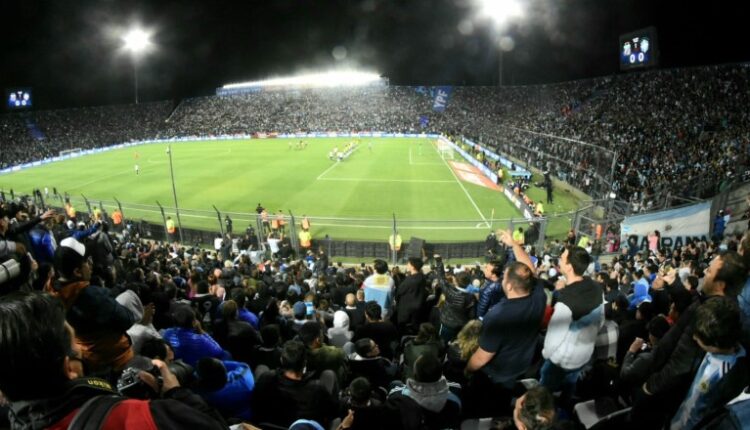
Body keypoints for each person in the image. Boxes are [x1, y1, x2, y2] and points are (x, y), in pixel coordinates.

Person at [0, 292, 226, 429]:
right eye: (76, 348)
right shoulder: (139, 418)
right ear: (69, 368)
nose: (81, 349)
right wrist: (176, 393)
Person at [465, 230, 546, 418]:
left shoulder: (498, 316)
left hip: (497, 376)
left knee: (489, 409)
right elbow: (530, 270)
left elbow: (482, 357)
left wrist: (467, 368)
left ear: (509, 285)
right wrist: (514, 245)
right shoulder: (539, 296)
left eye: (505, 277)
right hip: (522, 366)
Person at [45, 237, 136, 375]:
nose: (91, 265)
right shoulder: (93, 297)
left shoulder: (50, 293)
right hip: (114, 360)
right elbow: (127, 319)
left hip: (88, 358)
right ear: (77, 271)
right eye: (87, 262)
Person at [540, 246, 604, 402]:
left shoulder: (566, 300)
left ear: (569, 267)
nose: (559, 261)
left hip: (562, 361)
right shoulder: (597, 287)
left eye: (562, 259)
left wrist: (546, 355)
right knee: (569, 389)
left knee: (544, 395)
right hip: (584, 355)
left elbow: (554, 337)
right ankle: (566, 405)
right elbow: (601, 320)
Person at [252, 340, 339, 428]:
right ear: (305, 363)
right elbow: (332, 413)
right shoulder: (317, 389)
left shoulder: (266, 378)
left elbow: (255, 406)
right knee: (329, 375)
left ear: (281, 360)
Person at [394, 257, 428, 335]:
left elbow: (399, 292)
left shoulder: (410, 280)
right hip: (418, 310)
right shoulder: (422, 277)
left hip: (406, 312)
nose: (407, 265)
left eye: (408, 264)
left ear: (413, 266)